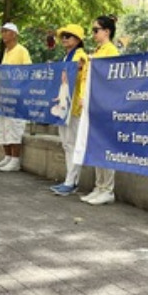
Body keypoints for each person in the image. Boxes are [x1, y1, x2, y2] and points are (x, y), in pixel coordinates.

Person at [81, 15, 121, 206]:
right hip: (93, 104)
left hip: (105, 104)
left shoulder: (111, 51)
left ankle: (108, 189)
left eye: (96, 30)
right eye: (93, 30)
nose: (94, 34)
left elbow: (109, 80)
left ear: (107, 31)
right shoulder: (98, 51)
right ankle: (99, 186)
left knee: (106, 147)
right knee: (96, 147)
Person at [50, 23, 89, 196]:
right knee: (67, 144)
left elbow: (85, 74)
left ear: (78, 40)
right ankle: (70, 180)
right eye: (63, 36)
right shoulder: (66, 57)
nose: (65, 39)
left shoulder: (80, 56)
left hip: (74, 108)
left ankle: (71, 181)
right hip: (64, 106)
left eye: (69, 36)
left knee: (73, 144)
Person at [0, 23, 32, 172]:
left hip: (16, 98)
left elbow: (28, 71)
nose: (3, 35)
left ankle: (15, 160)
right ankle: (7, 157)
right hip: (4, 97)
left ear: (14, 34)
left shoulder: (21, 51)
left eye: (6, 32)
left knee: (14, 128)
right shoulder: (6, 52)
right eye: (2, 32)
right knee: (3, 127)